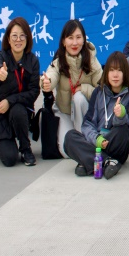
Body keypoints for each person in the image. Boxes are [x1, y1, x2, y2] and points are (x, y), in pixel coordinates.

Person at [64, 51, 129, 178]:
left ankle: (88, 161)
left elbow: (127, 123)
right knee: (70, 137)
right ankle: (108, 162)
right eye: (111, 70)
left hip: (114, 143)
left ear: (125, 73)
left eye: (119, 70)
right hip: (96, 142)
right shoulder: (98, 92)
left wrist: (121, 114)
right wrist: (97, 139)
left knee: (123, 130)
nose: (115, 75)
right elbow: (87, 124)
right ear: (106, 72)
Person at [41, 19, 104, 158]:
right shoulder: (58, 61)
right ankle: (82, 144)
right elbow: (51, 75)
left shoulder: (92, 60)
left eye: (78, 37)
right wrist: (47, 82)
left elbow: (103, 91)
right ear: (64, 41)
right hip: (65, 112)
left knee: (78, 97)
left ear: (84, 39)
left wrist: (84, 88)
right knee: (66, 152)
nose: (74, 43)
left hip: (85, 112)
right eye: (70, 38)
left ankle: (84, 136)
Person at [0, 17, 41, 167]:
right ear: (8, 39)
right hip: (0, 114)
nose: (18, 40)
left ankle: (25, 149)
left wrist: (10, 101)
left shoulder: (33, 61)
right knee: (10, 159)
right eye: (14, 36)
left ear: (28, 39)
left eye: (22, 36)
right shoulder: (1, 56)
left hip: (20, 112)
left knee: (18, 109)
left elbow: (34, 92)